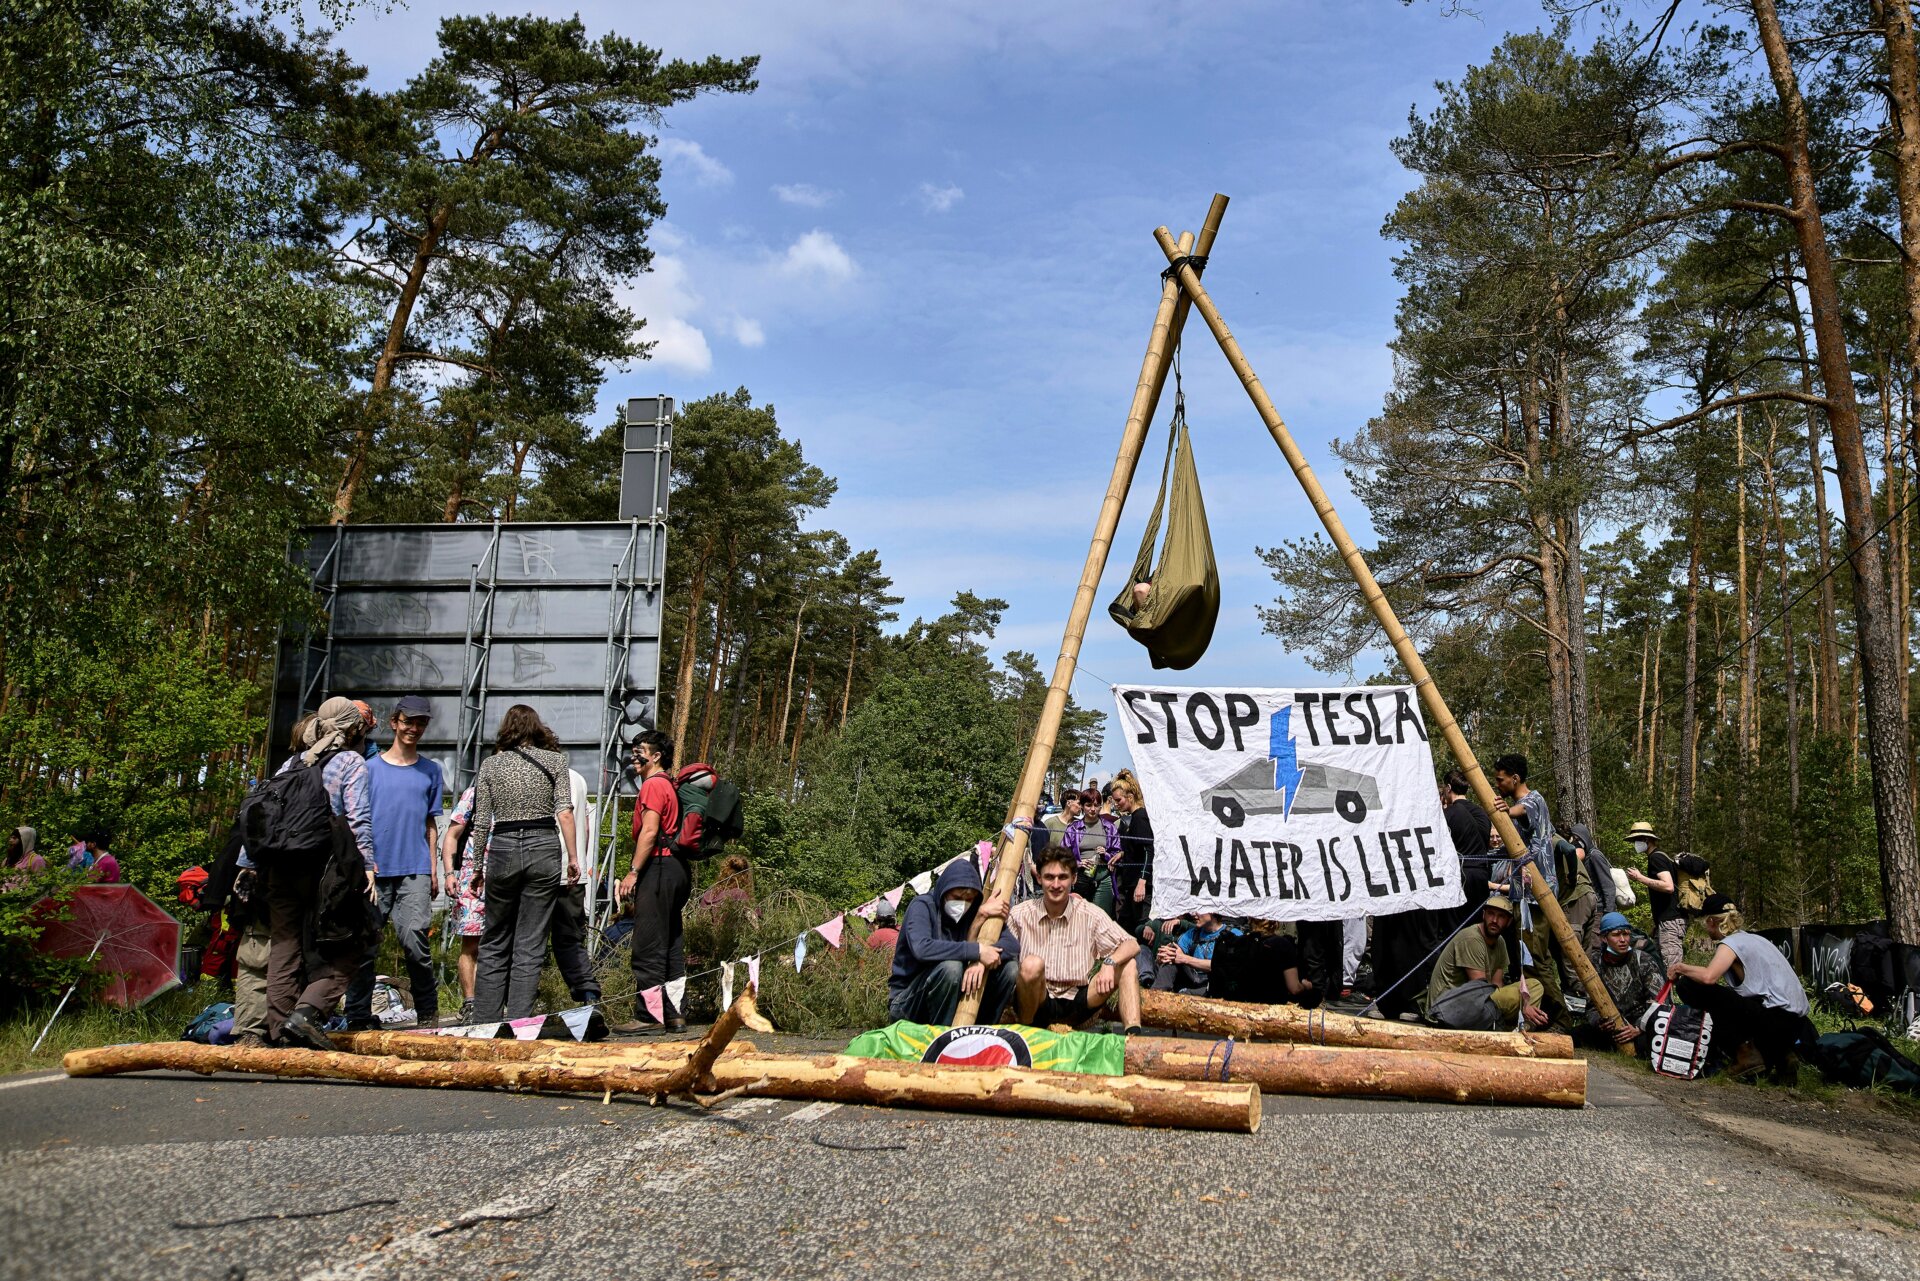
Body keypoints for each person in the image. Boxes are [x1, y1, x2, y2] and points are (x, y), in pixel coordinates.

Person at [265, 696, 377, 1052]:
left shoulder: (292, 763)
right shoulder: (350, 762)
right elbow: (357, 818)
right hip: (324, 868)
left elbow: (266, 813)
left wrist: (247, 866)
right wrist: (368, 867)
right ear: (355, 729)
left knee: (285, 945)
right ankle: (307, 1014)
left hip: (279, 866)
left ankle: (280, 1031)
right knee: (354, 942)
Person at [469, 705, 576, 1024]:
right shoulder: (556, 761)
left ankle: (485, 1024)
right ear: (537, 728)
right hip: (544, 847)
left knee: (495, 938)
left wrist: (477, 866)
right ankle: (519, 1025)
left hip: (501, 850)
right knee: (531, 942)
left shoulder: (490, 765)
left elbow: (481, 820)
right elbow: (565, 812)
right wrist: (573, 858)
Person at [346, 695, 444, 1030]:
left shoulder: (431, 771)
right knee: (365, 946)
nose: (413, 729)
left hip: (414, 869)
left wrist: (433, 869)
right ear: (394, 722)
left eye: (420, 723)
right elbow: (356, 820)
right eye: (408, 722)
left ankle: (428, 1013)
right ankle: (357, 1014)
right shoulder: (367, 769)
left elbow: (431, 825)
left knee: (415, 942)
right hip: (373, 872)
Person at [1670, 894, 1814, 1082]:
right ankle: (1782, 1056)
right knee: (1728, 996)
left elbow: (1708, 977)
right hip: (1796, 1024)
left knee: (1688, 986)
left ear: (1712, 921)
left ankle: (1745, 1053)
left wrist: (1681, 968)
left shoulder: (1730, 944)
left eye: (1705, 923)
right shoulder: (1756, 939)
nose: (1705, 929)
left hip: (1774, 1021)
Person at [1008, 848, 1143, 1031]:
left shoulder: (1090, 913)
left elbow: (1131, 944)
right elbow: (998, 951)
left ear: (1074, 878)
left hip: (1080, 999)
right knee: (1031, 964)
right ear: (1039, 878)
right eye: (1049, 877)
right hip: (1037, 1000)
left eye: (1062, 877)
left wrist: (1109, 963)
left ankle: (1133, 1036)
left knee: (1128, 965)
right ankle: (1026, 1031)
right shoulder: (1020, 914)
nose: (1056, 884)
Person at [887, 858, 1018, 1024]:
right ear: (944, 891)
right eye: (956, 897)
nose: (962, 904)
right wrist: (977, 951)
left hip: (956, 997)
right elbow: (922, 948)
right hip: (907, 1003)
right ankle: (942, 1040)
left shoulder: (975, 912)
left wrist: (981, 961)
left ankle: (981, 1030)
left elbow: (1012, 945)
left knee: (1010, 969)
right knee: (951, 968)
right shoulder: (922, 906)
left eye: (969, 899)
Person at [616, 730, 686, 1032]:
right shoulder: (670, 785)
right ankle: (674, 1014)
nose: (634, 757)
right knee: (670, 943)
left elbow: (649, 830)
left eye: (639, 751)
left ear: (656, 756)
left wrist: (633, 871)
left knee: (647, 944)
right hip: (676, 869)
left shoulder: (653, 786)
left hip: (658, 867)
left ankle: (648, 1017)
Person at [1622, 820, 1708, 972]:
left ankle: (1678, 994)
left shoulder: (1656, 858)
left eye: (1637, 840)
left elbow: (1668, 886)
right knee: (1658, 965)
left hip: (1671, 921)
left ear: (1646, 840)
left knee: (1672, 969)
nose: (1635, 843)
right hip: (1667, 920)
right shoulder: (1659, 858)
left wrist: (1639, 877)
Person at [1581, 911, 1663, 1050]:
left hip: (1640, 1024)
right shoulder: (1594, 963)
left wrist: (1639, 1027)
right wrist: (1599, 1022)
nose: (1623, 939)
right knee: (1576, 1035)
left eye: (1625, 934)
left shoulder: (1644, 960)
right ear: (1604, 938)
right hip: (1611, 1025)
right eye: (1616, 935)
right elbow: (1590, 1005)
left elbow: (1659, 1002)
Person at [439, 784, 484, 1024]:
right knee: (471, 944)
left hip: (508, 876)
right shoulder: (473, 794)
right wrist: (449, 873)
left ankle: (498, 1003)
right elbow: (453, 834)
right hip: (471, 879)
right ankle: (470, 1002)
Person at [1152, 911, 1239, 995]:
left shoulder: (1233, 934)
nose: (1193, 914)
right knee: (1172, 954)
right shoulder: (1192, 933)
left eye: (1199, 910)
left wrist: (1185, 959)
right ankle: (1156, 995)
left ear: (1212, 911)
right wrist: (1163, 956)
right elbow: (1176, 955)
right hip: (1193, 979)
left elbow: (1224, 966)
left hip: (1216, 984)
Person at [1109, 776, 1153, 935]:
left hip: (1140, 885)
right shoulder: (1133, 818)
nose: (1116, 804)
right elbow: (1136, 847)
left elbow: (1149, 850)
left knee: (1141, 929)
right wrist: (1122, 853)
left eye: (1118, 800)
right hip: (1131, 884)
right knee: (1123, 927)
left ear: (1130, 797)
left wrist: (1142, 881)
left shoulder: (1140, 817)